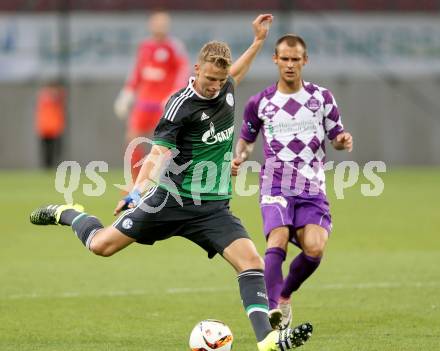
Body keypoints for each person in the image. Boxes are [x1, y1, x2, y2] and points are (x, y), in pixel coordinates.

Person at [30, 16, 313, 351]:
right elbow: (158, 155)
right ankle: (69, 212)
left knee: (250, 261)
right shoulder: (180, 106)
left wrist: (257, 42)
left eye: (219, 80)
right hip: (169, 201)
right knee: (101, 246)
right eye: (208, 78)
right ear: (196, 69)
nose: (214, 86)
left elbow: (237, 72)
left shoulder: (226, 87)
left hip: (212, 208)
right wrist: (137, 191)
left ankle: (266, 339)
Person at [232, 34, 353, 330]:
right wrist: (240, 158)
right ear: (275, 60)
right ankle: (272, 312)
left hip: (311, 187)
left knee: (314, 249)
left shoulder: (321, 98)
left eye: (295, 59)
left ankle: (284, 296)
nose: (289, 64)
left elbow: (336, 136)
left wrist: (341, 141)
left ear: (304, 61)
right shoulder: (260, 103)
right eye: (284, 59)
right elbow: (246, 142)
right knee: (278, 238)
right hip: (275, 182)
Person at [114, 10, 190, 183]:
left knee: (164, 144)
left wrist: (174, 94)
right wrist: (127, 93)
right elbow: (137, 72)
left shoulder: (174, 47)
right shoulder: (145, 46)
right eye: (156, 23)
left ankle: (158, 182)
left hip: (162, 104)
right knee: (132, 140)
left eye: (163, 23)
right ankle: (135, 182)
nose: (159, 27)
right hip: (144, 102)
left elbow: (183, 71)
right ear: (151, 25)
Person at [35, 80, 66, 169]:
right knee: (47, 151)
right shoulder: (46, 96)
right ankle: (48, 168)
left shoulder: (56, 96)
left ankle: (53, 167)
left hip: (54, 128)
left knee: (55, 151)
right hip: (46, 128)